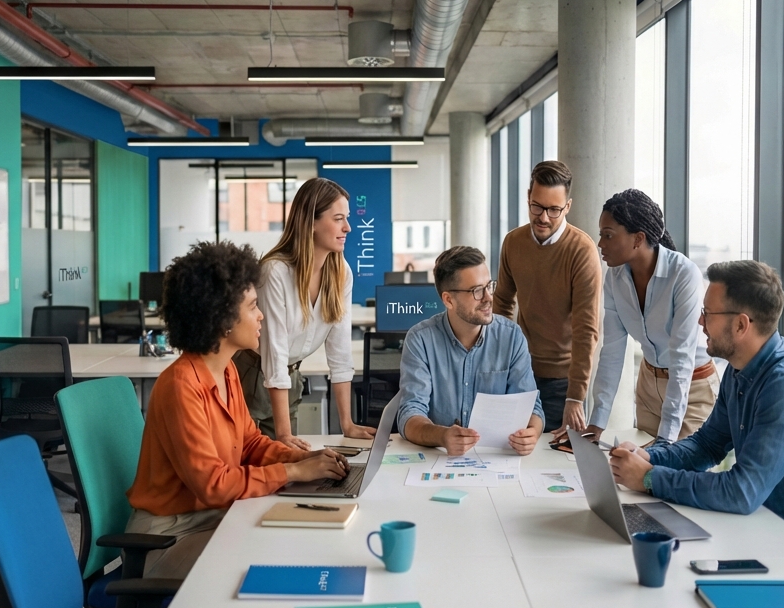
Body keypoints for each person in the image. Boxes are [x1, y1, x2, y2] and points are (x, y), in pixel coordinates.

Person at [126, 241, 350, 579]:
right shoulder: (181, 386)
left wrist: (305, 459)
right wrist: (294, 472)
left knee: (295, 535)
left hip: (214, 516)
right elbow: (214, 484)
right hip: (167, 536)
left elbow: (250, 444)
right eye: (253, 306)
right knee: (272, 559)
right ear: (223, 319)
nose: (261, 315)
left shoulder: (226, 369)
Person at [610, 260, 784, 539]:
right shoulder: (739, 369)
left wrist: (650, 478)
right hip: (762, 524)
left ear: (740, 325)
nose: (700, 322)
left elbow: (742, 492)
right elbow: (707, 445)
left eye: (708, 313)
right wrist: (649, 457)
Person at [234, 177, 376, 450]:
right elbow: (275, 352)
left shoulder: (340, 272)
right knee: (250, 459)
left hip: (289, 379)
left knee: (285, 460)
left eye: (346, 218)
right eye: (338, 219)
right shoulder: (275, 272)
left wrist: (347, 424)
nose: (348, 227)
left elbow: (340, 352)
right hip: (251, 376)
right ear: (310, 222)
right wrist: (284, 434)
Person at [588, 189, 718, 445]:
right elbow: (612, 351)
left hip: (692, 390)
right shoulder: (614, 278)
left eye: (608, 235)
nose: (600, 243)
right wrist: (597, 422)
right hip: (648, 386)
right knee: (638, 470)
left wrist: (666, 439)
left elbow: (681, 357)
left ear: (638, 238)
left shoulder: (684, 275)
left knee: (676, 467)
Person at [395, 245, 544, 456]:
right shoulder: (421, 339)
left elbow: (532, 407)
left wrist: (532, 433)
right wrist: (442, 436)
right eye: (476, 291)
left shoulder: (511, 337)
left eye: (489, 286)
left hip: (497, 458)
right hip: (439, 458)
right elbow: (410, 413)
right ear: (449, 300)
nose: (488, 297)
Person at [494, 160, 602, 433]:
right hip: (519, 372)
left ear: (567, 206)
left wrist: (575, 397)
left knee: (554, 455)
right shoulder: (513, 242)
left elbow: (586, 329)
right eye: (537, 206)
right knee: (512, 447)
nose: (543, 217)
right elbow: (502, 303)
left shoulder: (581, 250)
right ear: (528, 197)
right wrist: (501, 362)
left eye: (554, 210)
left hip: (563, 381)